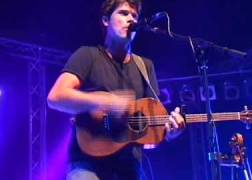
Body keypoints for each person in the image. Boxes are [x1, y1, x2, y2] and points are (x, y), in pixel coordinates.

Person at [47, 0, 185, 179]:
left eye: (134, 16)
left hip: (128, 167)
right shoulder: (87, 55)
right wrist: (103, 101)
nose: (130, 19)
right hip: (88, 162)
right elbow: (55, 97)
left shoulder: (145, 66)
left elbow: (153, 127)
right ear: (106, 20)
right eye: (124, 13)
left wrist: (171, 133)